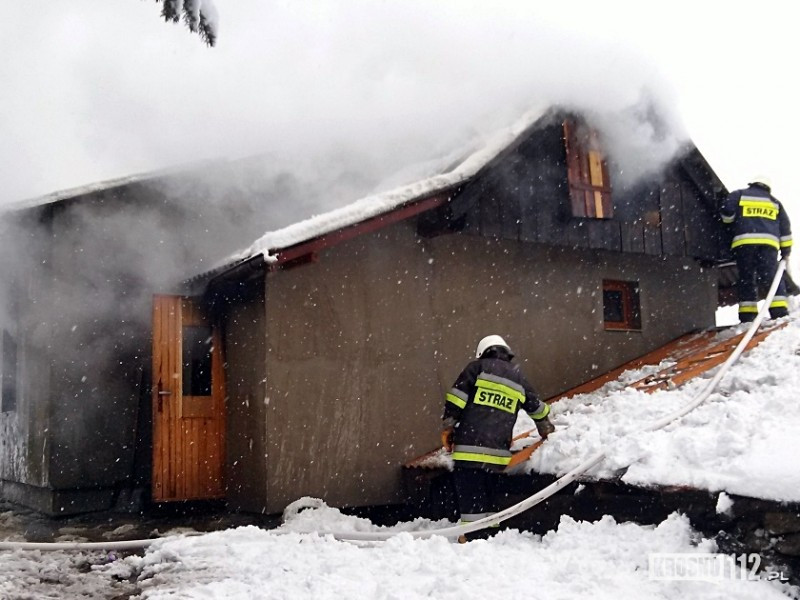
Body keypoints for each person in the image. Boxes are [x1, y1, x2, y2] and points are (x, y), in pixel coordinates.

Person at [441, 334, 554, 540]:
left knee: (470, 492)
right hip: (498, 454)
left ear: (482, 352)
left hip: (469, 448)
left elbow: (457, 399)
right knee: (489, 492)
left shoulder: (476, 368)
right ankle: (490, 533)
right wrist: (544, 427)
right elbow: (536, 407)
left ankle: (472, 536)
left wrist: (448, 426)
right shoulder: (518, 378)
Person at [720, 176, 792, 322]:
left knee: (747, 277)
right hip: (768, 245)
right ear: (767, 188)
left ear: (752, 184)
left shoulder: (739, 195)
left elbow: (727, 213)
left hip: (744, 243)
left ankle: (748, 315)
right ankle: (779, 311)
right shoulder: (775, 202)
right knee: (771, 276)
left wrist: (731, 223)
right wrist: (785, 252)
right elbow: (785, 230)